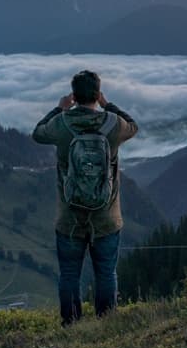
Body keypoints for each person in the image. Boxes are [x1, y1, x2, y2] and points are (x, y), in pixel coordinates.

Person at [32, 70, 138, 324]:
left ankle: (71, 326)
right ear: (97, 94)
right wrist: (107, 105)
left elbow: (37, 133)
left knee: (69, 274)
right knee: (106, 274)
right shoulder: (113, 125)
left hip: (70, 218)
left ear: (74, 96)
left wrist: (59, 109)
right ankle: (106, 325)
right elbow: (133, 126)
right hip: (106, 217)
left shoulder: (61, 124)